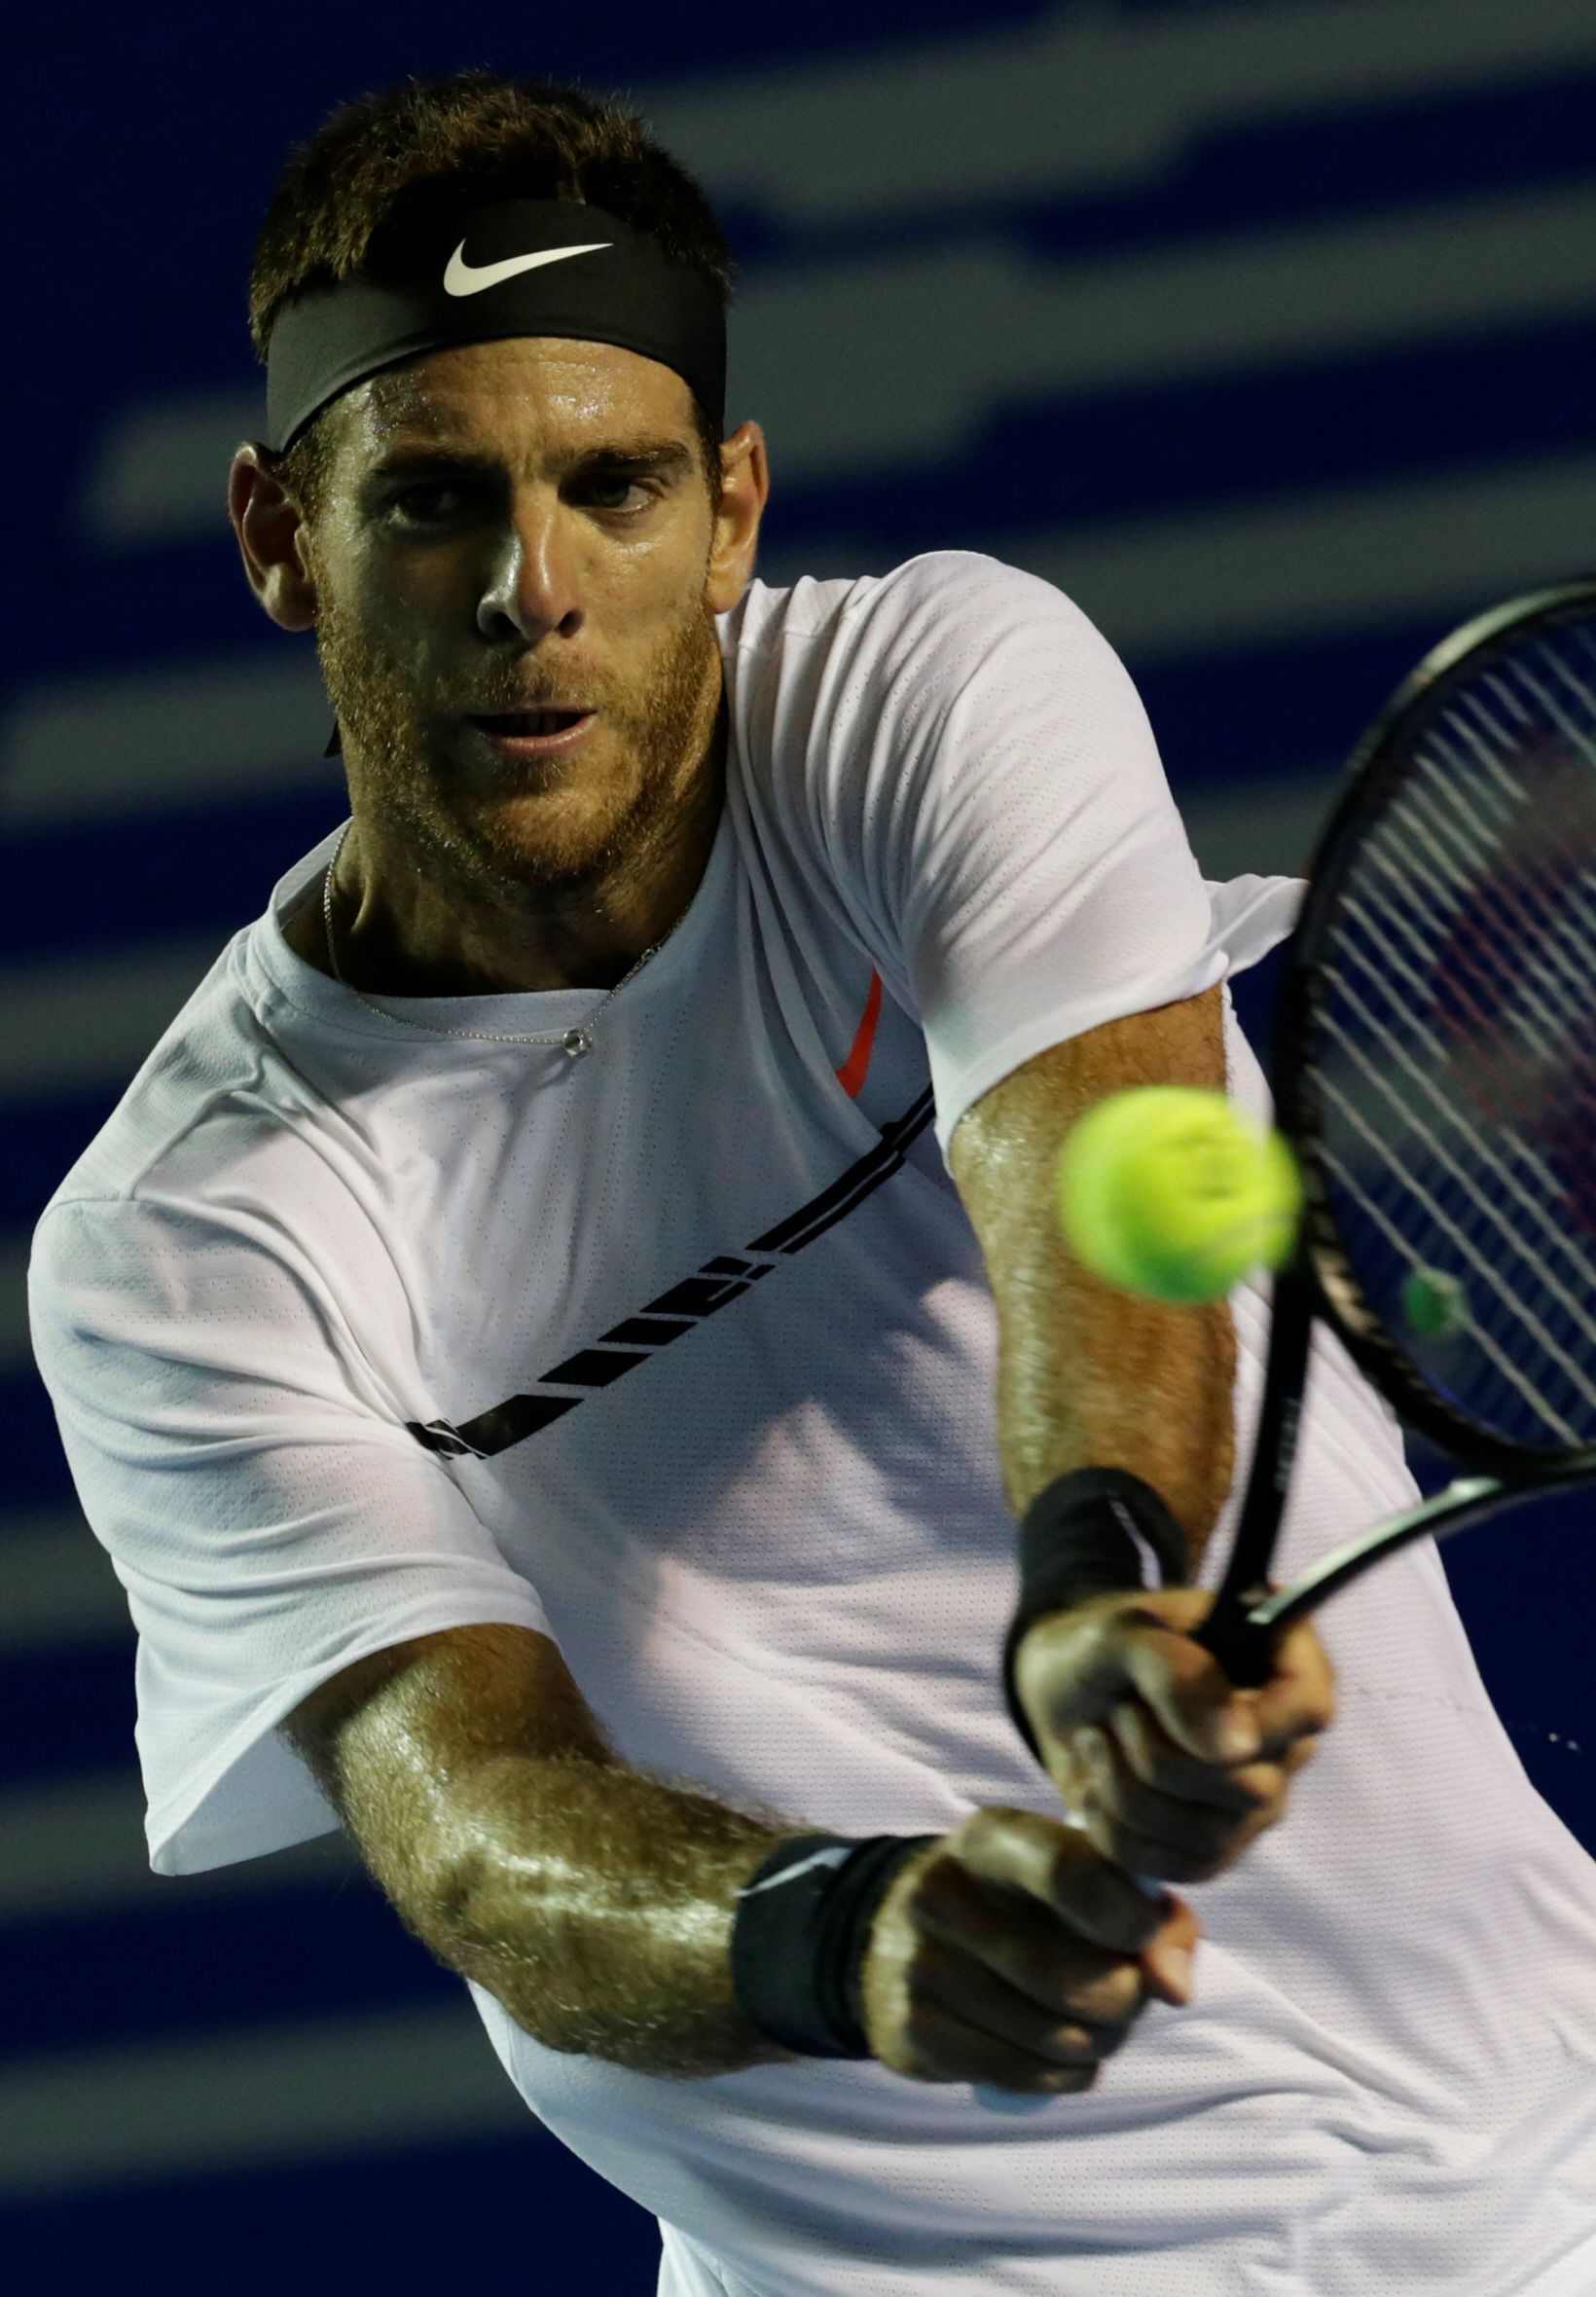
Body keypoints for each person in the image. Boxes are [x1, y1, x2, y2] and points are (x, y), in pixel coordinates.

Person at [27, 68, 1596, 2297]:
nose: (534, 591)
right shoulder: (184, 1239)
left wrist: (1098, 1586)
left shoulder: (929, 700)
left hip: (1531, 2170)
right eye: (437, 499)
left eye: (616, 486)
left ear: (733, 511)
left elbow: (1093, 1181)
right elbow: (472, 1821)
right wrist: (839, 1932)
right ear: (283, 536)